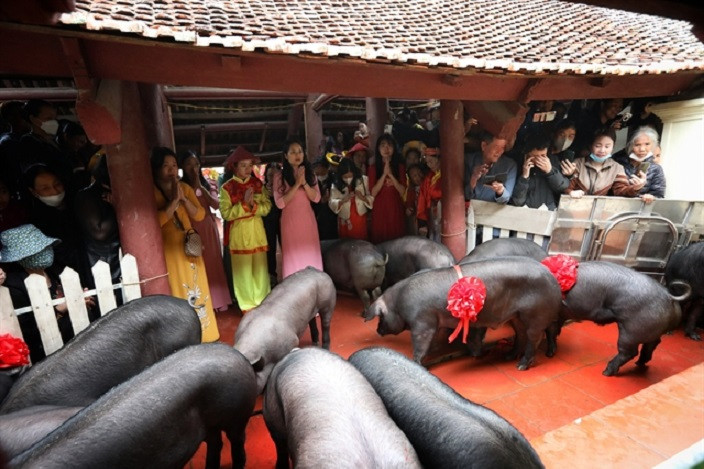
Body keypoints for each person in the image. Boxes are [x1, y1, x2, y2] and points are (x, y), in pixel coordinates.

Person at [150, 146, 220, 342]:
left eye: (174, 165)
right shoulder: (150, 192)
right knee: (179, 289)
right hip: (170, 249)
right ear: (156, 169)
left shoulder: (185, 188)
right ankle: (186, 336)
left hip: (190, 245)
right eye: (166, 166)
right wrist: (173, 202)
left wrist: (182, 199)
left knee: (198, 287)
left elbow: (199, 214)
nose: (172, 170)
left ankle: (206, 334)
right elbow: (155, 222)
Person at [0, 224, 95, 363]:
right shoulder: (14, 286)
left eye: (46, 247)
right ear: (22, 258)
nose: (47, 251)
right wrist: (59, 310)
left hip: (82, 342)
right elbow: (26, 332)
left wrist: (82, 300)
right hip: (50, 355)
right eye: (39, 250)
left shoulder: (55, 270)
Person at [218, 146, 272, 313]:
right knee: (243, 272)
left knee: (261, 269)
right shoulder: (227, 188)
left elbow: (267, 207)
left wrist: (253, 205)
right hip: (239, 235)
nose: (248, 169)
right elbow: (226, 213)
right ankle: (247, 307)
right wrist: (243, 205)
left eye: (250, 165)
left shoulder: (257, 184)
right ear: (234, 166)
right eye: (243, 165)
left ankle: (264, 303)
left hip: (257, 232)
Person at [180, 150, 231, 312]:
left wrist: (200, 186)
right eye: (189, 164)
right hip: (191, 229)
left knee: (214, 261)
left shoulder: (209, 183)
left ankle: (220, 300)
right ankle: (204, 300)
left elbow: (216, 205)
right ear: (182, 166)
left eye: (195, 164)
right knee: (198, 265)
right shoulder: (180, 187)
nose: (193, 168)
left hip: (208, 227)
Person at [24, 164, 89, 284]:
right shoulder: (36, 222)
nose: (54, 191)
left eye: (57, 184)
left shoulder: (79, 204)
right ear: (33, 191)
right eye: (45, 188)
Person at [273, 138, 323, 278]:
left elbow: (317, 198)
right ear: (285, 155)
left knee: (310, 254)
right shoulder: (279, 176)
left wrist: (305, 183)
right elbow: (280, 203)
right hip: (290, 223)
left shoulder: (310, 173)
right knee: (293, 256)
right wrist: (296, 184)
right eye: (293, 152)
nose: (297, 155)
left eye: (300, 151)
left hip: (307, 221)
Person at [73, 154, 121, 288]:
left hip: (118, 258)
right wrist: (117, 208)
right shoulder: (87, 196)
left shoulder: (115, 192)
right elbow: (99, 233)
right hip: (101, 260)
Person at [561, 128, 645, 198]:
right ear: (590, 146)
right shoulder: (578, 163)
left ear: (613, 147)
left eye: (607, 146)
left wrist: (636, 187)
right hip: (575, 209)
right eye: (598, 146)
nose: (602, 150)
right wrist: (570, 192)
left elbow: (620, 191)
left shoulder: (617, 168)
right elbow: (565, 187)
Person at [511, 133, 570, 210]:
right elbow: (517, 201)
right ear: (527, 153)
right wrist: (524, 177)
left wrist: (550, 171)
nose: (539, 160)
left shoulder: (553, 160)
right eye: (535, 156)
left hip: (548, 210)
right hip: (525, 212)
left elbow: (562, 187)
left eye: (543, 155)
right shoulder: (518, 164)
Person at [367, 134, 406, 243]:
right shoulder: (373, 168)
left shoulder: (400, 167)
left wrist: (392, 177)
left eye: (389, 145)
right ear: (378, 149)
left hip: (395, 207)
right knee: (381, 238)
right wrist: (384, 175)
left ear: (394, 148)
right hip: (380, 208)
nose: (386, 148)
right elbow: (373, 193)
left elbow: (402, 191)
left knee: (397, 239)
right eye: (383, 145)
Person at [613, 126, 666, 203]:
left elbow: (659, 194)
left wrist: (651, 196)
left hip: (639, 208)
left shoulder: (656, 169)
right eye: (637, 145)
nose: (642, 149)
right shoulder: (617, 162)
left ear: (653, 145)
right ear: (631, 146)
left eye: (647, 144)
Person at [464, 131, 516, 205]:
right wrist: (474, 178)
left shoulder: (510, 166)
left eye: (503, 148)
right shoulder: (469, 160)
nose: (499, 152)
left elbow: (506, 198)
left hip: (494, 211)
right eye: (496, 147)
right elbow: (464, 195)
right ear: (484, 146)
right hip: (470, 208)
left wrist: (500, 190)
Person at [329, 157, 373, 240]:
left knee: (361, 241)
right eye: (345, 177)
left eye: (350, 176)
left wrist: (362, 197)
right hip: (344, 219)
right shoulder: (336, 184)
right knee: (346, 243)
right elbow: (331, 202)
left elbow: (371, 197)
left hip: (360, 217)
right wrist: (342, 201)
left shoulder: (363, 180)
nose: (348, 179)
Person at [0, 101, 31, 199]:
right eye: (22, 114)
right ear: (10, 118)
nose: (28, 118)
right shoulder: (9, 142)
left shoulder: (28, 137)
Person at [262, 162, 282, 286]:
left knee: (286, 247)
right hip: (267, 222)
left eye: (275, 175)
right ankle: (272, 276)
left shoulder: (283, 188)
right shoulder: (262, 189)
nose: (272, 178)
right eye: (270, 175)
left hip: (282, 221)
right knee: (270, 249)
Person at [416, 147, 442, 241]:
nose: (429, 165)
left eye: (431, 161)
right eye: (427, 162)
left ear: (439, 159)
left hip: (444, 213)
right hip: (432, 215)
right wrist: (422, 223)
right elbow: (422, 199)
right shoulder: (429, 178)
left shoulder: (448, 174)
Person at [312, 157, 338, 241]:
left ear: (326, 169)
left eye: (322, 173)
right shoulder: (312, 182)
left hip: (333, 218)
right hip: (319, 219)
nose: (319, 175)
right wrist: (320, 201)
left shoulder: (335, 180)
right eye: (317, 173)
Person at [404, 163, 425, 236]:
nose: (419, 176)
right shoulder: (411, 191)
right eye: (414, 176)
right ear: (411, 179)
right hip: (417, 219)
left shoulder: (428, 185)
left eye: (419, 173)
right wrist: (409, 209)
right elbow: (409, 203)